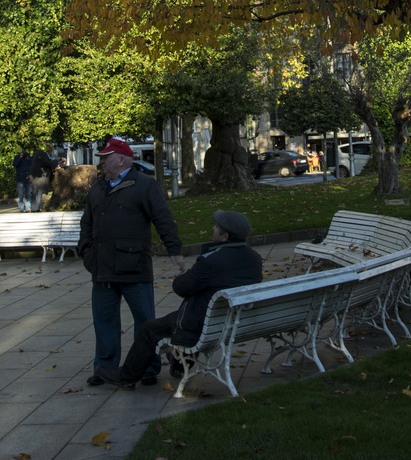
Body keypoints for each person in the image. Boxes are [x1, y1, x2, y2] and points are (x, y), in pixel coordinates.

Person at [97, 209, 263, 389]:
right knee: (172, 320)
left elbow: (181, 287)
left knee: (149, 329)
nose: (213, 229)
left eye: (216, 227)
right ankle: (179, 365)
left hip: (201, 324)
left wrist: (186, 275)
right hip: (232, 322)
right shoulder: (254, 259)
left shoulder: (211, 262)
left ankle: (126, 376)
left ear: (224, 236)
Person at [79, 137, 185, 387]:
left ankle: (148, 368)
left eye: (106, 157)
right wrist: (86, 249)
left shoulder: (145, 185)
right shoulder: (98, 186)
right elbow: (87, 221)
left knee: (145, 322)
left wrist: (174, 250)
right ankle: (104, 368)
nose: (102, 162)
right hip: (102, 268)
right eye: (102, 158)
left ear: (123, 159)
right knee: (104, 322)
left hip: (134, 267)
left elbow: (163, 219)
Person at [28, 144, 65, 212]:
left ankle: (34, 208)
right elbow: (49, 163)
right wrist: (57, 160)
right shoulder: (43, 154)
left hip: (34, 175)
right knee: (38, 193)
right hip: (39, 176)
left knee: (34, 193)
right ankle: (37, 208)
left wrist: (56, 160)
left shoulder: (39, 153)